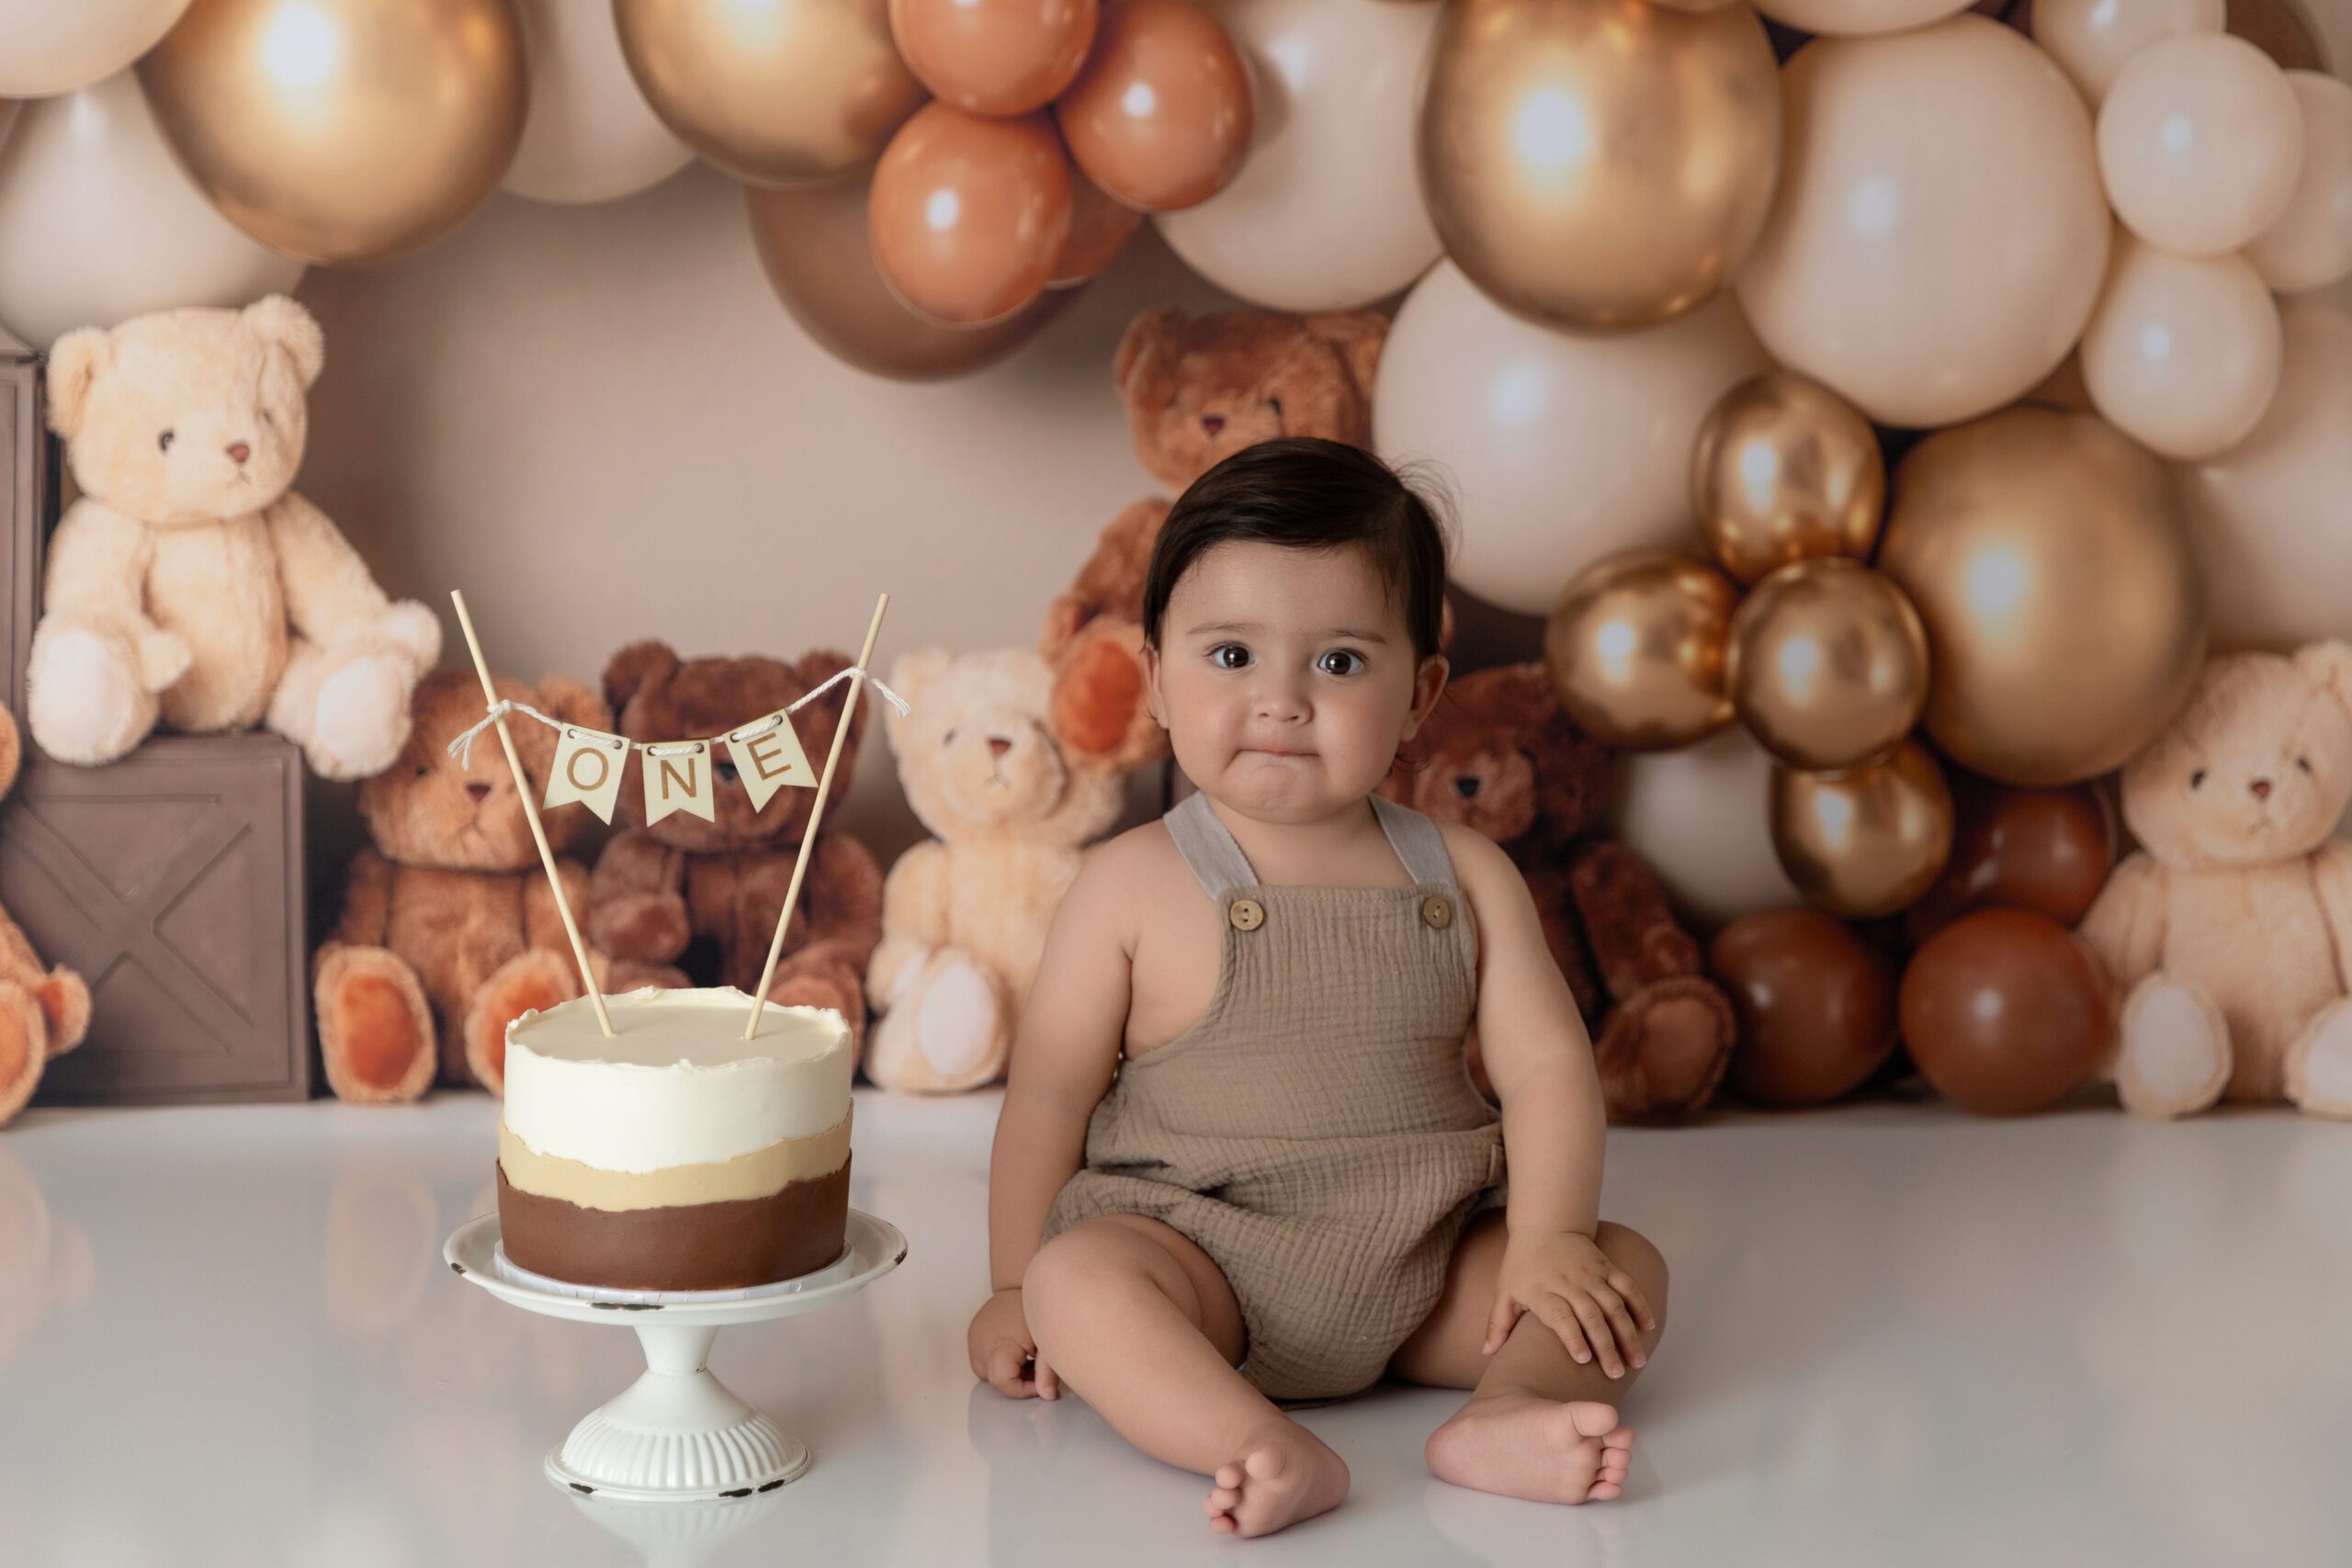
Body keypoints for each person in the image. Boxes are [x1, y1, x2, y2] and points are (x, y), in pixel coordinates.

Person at [965, 437, 1668, 1538]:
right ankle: (1253, 1439)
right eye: (1231, 656)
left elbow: (1544, 1069)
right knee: (1078, 1284)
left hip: (1428, 1268)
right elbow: (1049, 1097)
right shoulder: (1130, 884)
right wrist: (1012, 1287)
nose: (1282, 701)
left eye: (1338, 663)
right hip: (1204, 1268)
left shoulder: (1463, 871)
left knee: (1621, 1266)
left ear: (1420, 692)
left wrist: (1545, 1238)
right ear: (1154, 677)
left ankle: (1505, 1408)